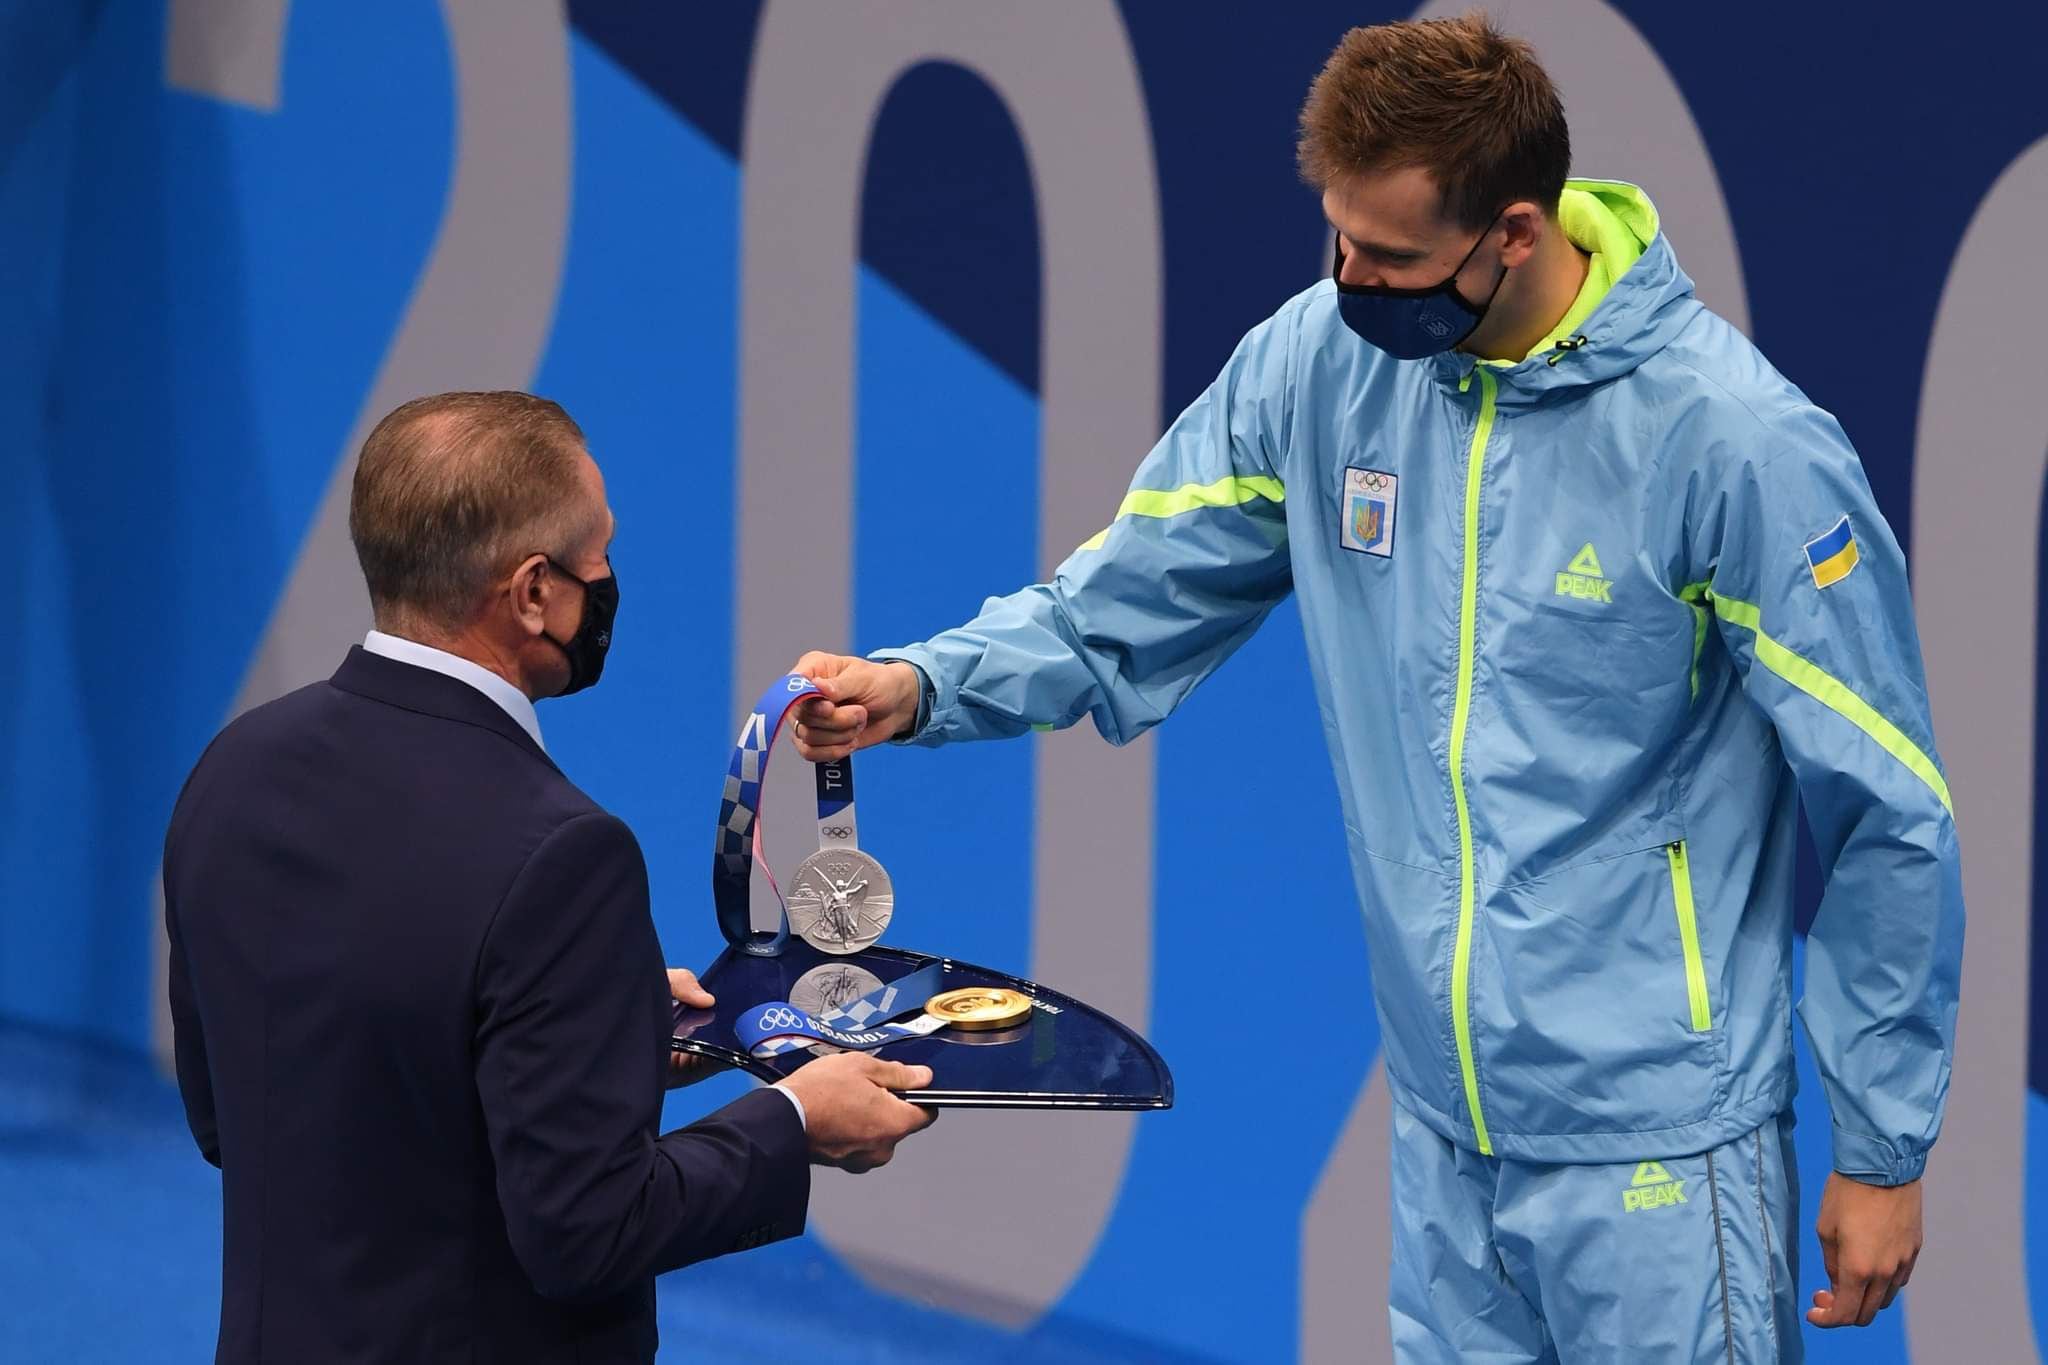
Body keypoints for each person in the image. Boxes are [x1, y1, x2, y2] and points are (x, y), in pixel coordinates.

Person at [787, 15, 1963, 1363]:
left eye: (1391, 257)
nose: (1351, 280)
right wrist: (924, 683)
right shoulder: (1321, 362)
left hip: (1660, 1148)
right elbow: (1128, 595)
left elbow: (1885, 807)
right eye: (1338, 240)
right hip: (1444, 1135)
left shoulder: (1739, 445)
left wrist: (1881, 1145)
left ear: (1513, 234)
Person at [163, 391, 935, 1364]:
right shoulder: (564, 853)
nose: (609, 580)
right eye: (599, 556)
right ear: (533, 593)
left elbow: (237, 1111)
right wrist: (790, 1118)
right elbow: (587, 1232)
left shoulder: (233, 767)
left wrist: (567, 1043)